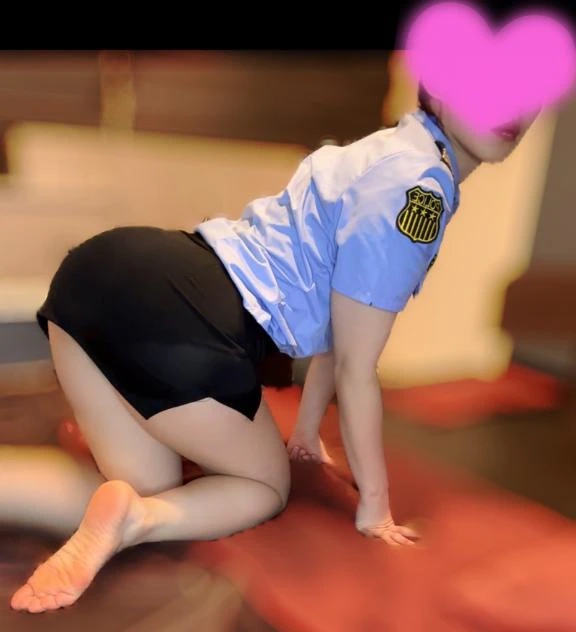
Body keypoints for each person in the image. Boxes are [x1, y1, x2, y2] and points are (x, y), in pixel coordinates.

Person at [5, 86, 538, 614]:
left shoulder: (376, 149)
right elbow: (355, 367)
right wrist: (375, 508)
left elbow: (340, 323)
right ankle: (135, 519)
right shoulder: (420, 190)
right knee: (259, 487)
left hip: (101, 268)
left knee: (148, 491)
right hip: (188, 321)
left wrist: (305, 431)